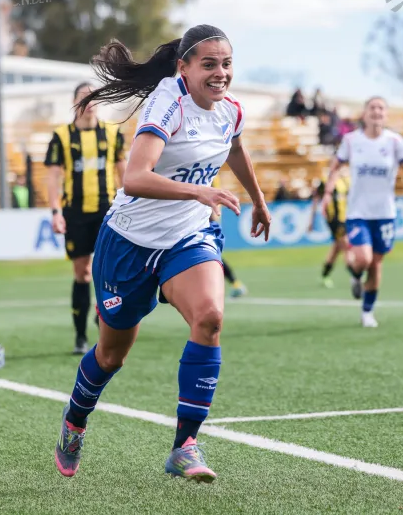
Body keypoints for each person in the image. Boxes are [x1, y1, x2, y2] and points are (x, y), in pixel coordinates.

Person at [54, 25, 271, 482]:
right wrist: (199, 191)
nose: (220, 73)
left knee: (210, 317)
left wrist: (258, 199)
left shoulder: (231, 110)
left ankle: (184, 446)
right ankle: (75, 421)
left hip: (188, 236)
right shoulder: (167, 101)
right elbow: (134, 177)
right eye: (209, 64)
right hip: (129, 242)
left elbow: (234, 146)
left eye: (226, 64)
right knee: (111, 356)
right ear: (183, 67)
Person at [322, 96, 403, 327]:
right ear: (364, 114)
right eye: (372, 107)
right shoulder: (351, 141)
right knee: (363, 258)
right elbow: (335, 167)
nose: (377, 111)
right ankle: (356, 275)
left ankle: (367, 312)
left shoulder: (395, 141)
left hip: (385, 213)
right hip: (358, 212)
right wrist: (327, 193)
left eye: (381, 108)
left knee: (376, 263)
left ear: (386, 114)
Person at [45, 83, 126, 354]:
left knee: (110, 270)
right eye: (84, 98)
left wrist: (131, 205)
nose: (90, 102)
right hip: (76, 213)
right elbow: (53, 178)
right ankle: (80, 336)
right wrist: (55, 212)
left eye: (94, 97)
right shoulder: (62, 136)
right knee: (83, 272)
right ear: (75, 103)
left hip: (108, 211)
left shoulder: (112, 133)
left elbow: (123, 172)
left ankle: (103, 318)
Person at [308, 172, 351, 289]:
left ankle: (324, 275)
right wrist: (311, 221)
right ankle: (356, 275)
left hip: (345, 219)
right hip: (334, 220)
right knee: (346, 246)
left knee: (336, 249)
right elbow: (316, 199)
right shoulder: (325, 181)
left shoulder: (346, 180)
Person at [211, 174, 247, 297]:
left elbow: (213, 195)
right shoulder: (213, 174)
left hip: (208, 222)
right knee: (213, 257)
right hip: (210, 220)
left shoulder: (210, 175)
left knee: (212, 257)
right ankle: (236, 284)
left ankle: (236, 284)